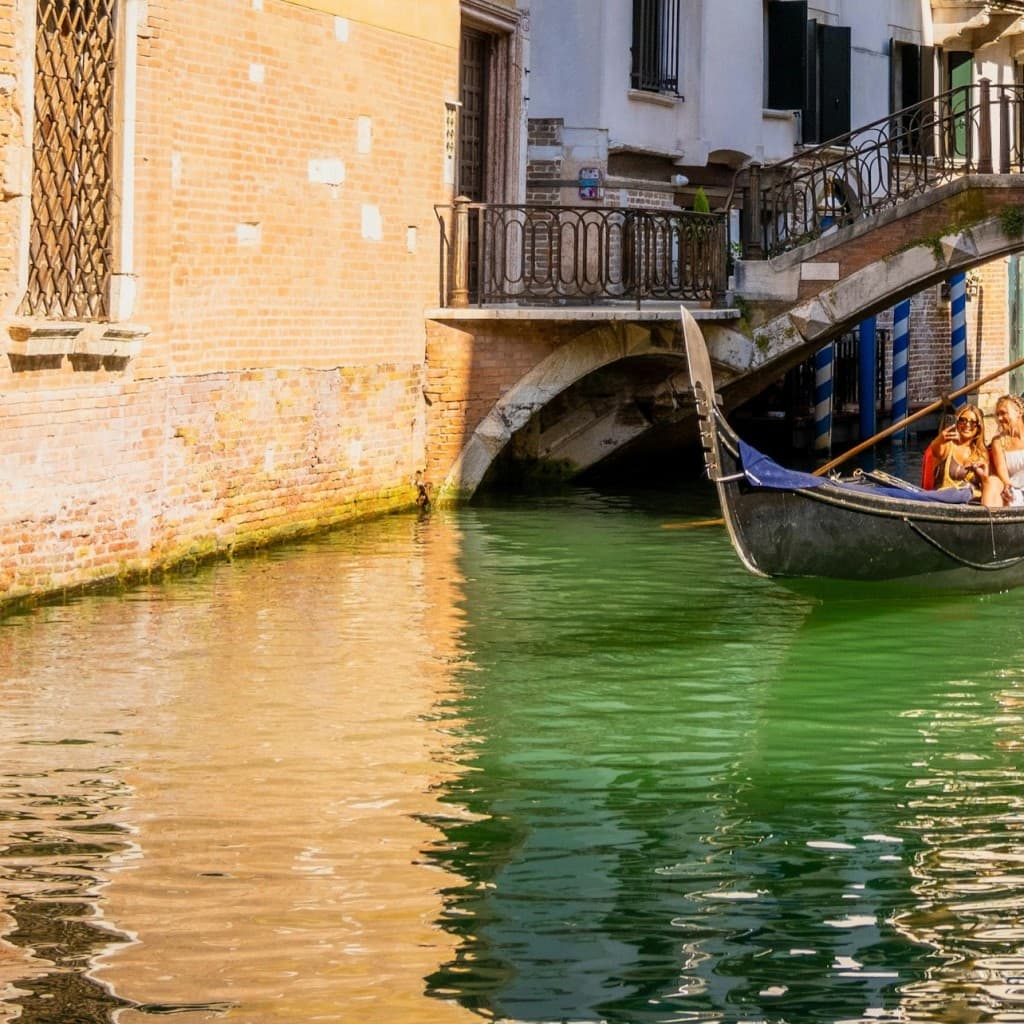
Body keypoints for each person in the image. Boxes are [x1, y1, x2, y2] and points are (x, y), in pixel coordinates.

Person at [928, 403, 989, 499]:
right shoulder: (947, 445)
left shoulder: (981, 453)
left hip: (972, 500)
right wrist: (940, 438)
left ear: (978, 427)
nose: (967, 425)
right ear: (956, 422)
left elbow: (987, 486)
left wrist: (984, 477)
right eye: (963, 420)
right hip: (945, 498)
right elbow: (934, 449)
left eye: (973, 422)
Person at [982, 394, 1024, 507]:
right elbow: (1003, 474)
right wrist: (1008, 488)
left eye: (1003, 413)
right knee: (992, 483)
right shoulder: (998, 442)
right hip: (1015, 491)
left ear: (1019, 412)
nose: (999, 418)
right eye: (997, 414)